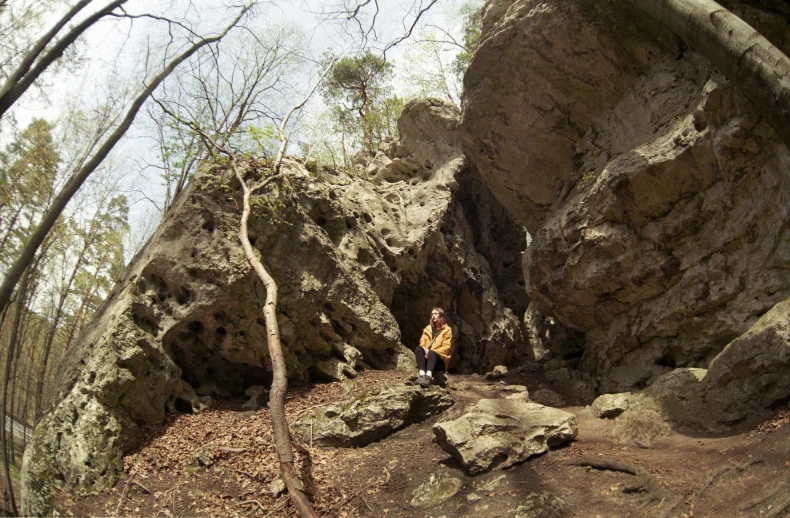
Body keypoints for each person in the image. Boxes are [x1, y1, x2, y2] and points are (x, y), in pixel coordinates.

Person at [414, 307, 452, 388]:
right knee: (418, 349)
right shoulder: (427, 329)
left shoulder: (447, 330)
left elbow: (447, 347)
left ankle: (428, 377)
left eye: (436, 314)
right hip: (428, 357)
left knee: (432, 353)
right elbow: (422, 343)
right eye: (432, 314)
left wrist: (431, 351)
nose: (433, 316)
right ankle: (422, 375)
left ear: (441, 316)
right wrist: (425, 350)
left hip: (440, 360)